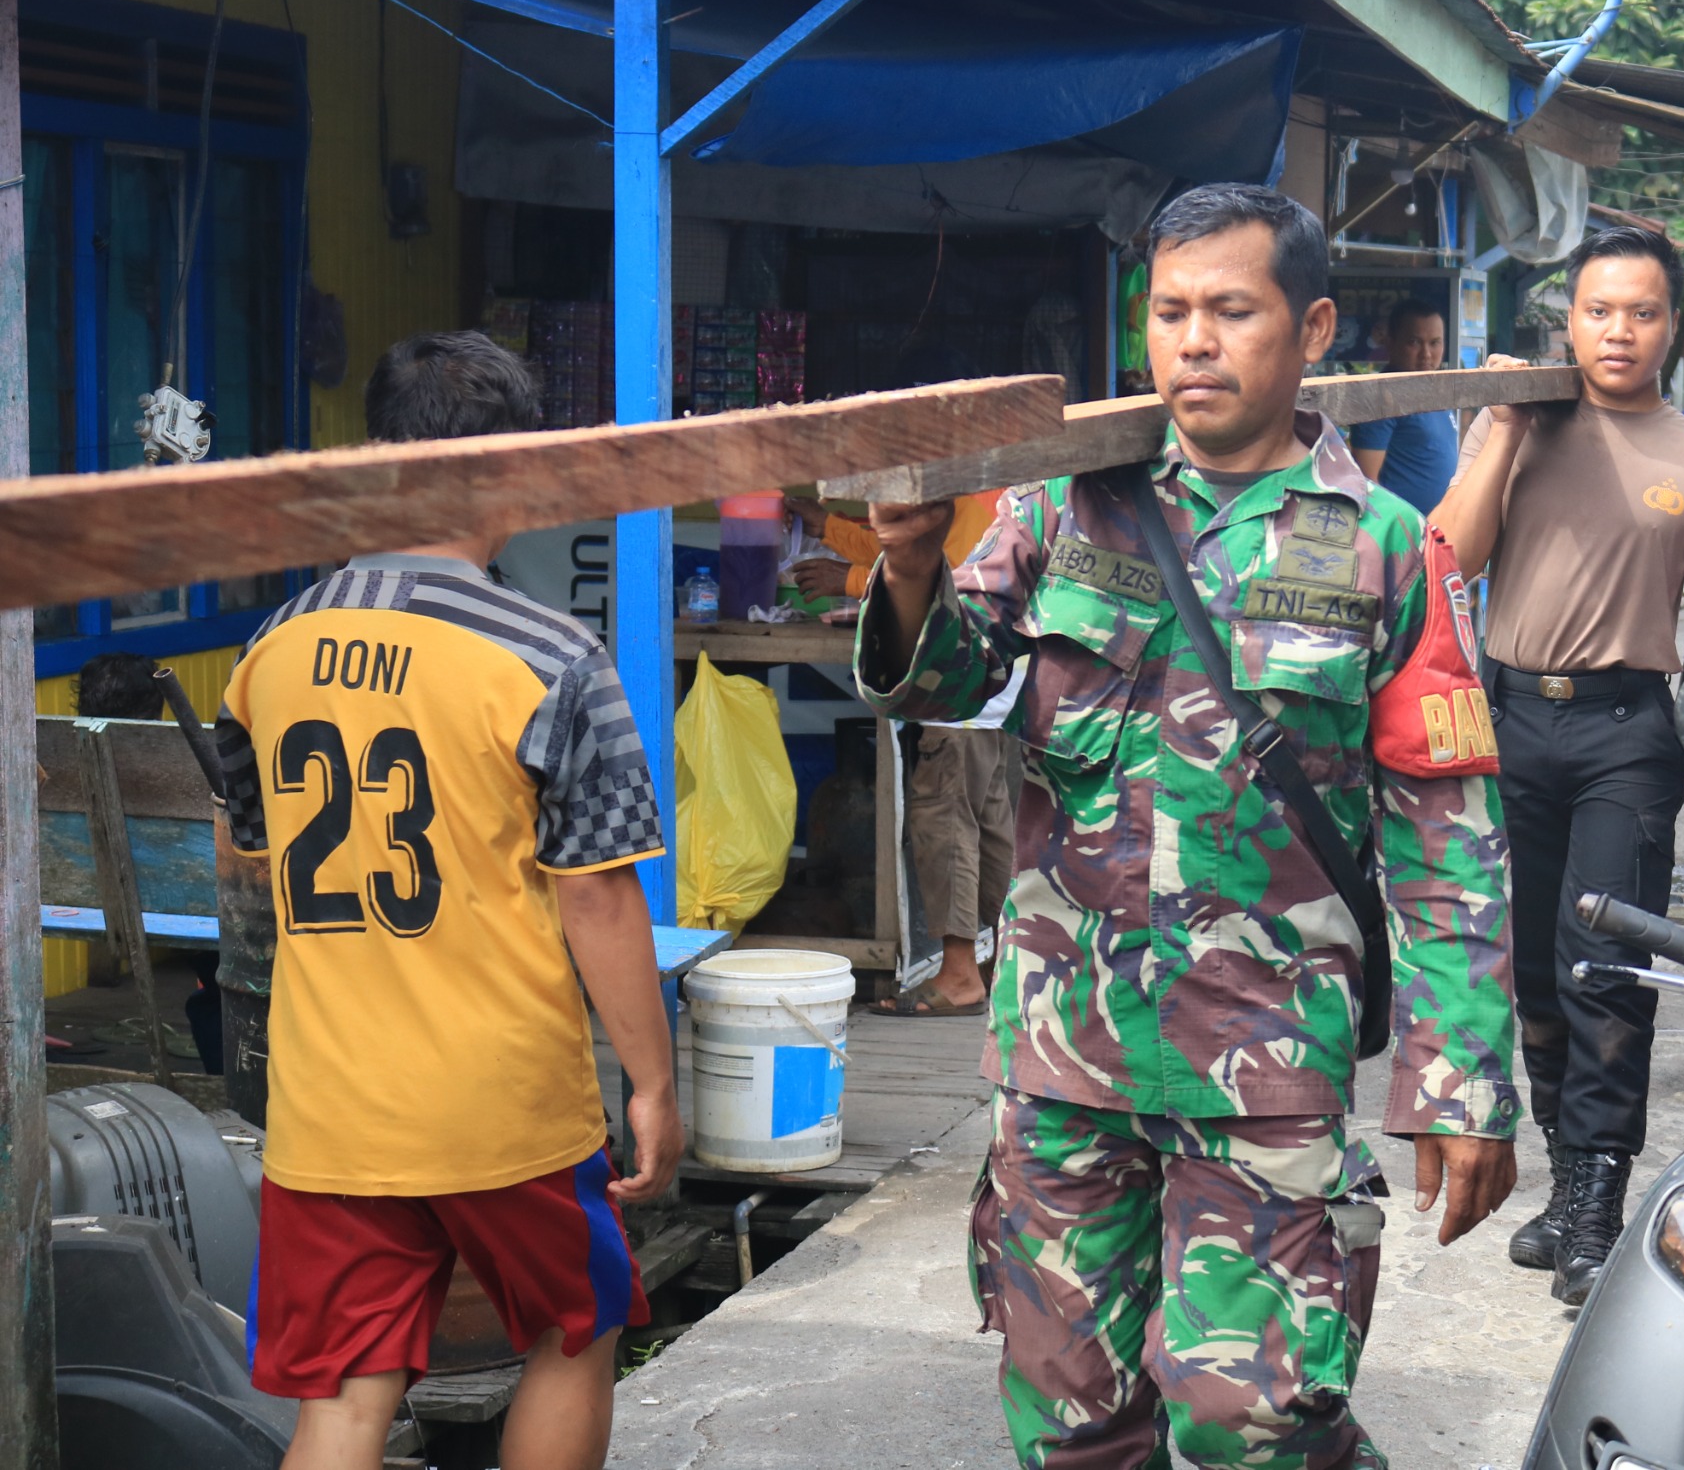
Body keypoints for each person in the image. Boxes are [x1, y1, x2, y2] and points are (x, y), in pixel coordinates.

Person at [856, 183, 1518, 1470]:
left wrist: (1460, 1080)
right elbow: (945, 682)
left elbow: (1448, 832)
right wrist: (910, 566)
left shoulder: (1384, 549)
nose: (1194, 341)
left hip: (1262, 1054)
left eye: (1231, 309)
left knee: (1255, 1417)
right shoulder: (1059, 504)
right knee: (1074, 1420)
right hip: (1065, 1051)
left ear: (1312, 327)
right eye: (1169, 312)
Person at [213, 331, 679, 1470]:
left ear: (375, 459)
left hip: (328, 1103)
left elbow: (251, 838)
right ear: (517, 473)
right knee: (578, 1329)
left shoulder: (271, 647)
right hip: (502, 1098)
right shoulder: (550, 654)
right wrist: (655, 1084)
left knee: (347, 1395)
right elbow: (602, 901)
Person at [1433, 225, 1684, 1306]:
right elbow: (1451, 555)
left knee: (1601, 968)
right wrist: (1503, 432)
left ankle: (1595, 1204)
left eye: (1643, 312)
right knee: (1528, 966)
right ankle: (1566, 1178)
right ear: (1567, 319)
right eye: (1598, 310)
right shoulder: (1514, 421)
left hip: (1630, 730)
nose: (1618, 330)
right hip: (1507, 718)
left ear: (1675, 329)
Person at [787, 489, 1017, 1017]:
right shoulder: (1000, 484)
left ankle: (960, 971)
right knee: (989, 823)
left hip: (958, 681)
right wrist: (827, 525)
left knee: (944, 821)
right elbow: (909, 544)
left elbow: (943, 570)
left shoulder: (965, 484)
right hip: (997, 687)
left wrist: (846, 576)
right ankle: (999, 961)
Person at [75, 649, 229, 1076]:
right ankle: (228, 1083)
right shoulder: (182, 756)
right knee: (224, 971)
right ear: (158, 705)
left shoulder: (50, 747)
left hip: (84, 898)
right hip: (177, 905)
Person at [1346, 298, 1460, 512]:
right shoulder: (1381, 396)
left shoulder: (1436, 392)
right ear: (1390, 342)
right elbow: (1366, 481)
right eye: (1415, 342)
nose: (1426, 354)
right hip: (1405, 537)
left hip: (1443, 531)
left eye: (1435, 343)